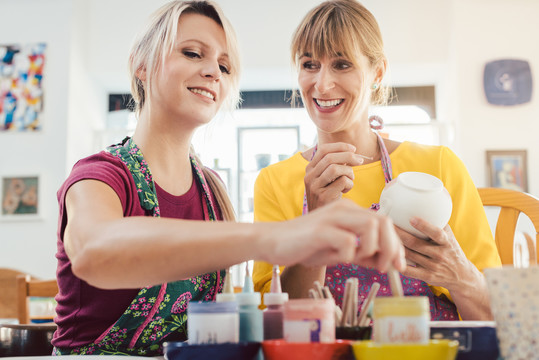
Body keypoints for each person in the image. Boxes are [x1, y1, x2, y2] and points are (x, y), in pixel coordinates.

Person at [52, 0, 406, 355]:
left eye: (224, 65)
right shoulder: (101, 175)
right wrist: (279, 236)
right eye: (192, 53)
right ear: (140, 65)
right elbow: (92, 250)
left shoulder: (211, 191)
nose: (213, 72)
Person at [253, 0, 501, 321]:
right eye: (310, 64)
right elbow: (273, 322)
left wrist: (459, 275)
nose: (322, 84)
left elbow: (496, 319)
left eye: (342, 64)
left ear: (377, 72)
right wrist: (315, 221)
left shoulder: (437, 167)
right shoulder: (275, 181)